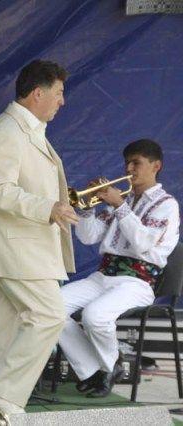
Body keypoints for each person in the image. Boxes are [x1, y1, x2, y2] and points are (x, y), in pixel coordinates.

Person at [0, 60, 78, 423]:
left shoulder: (27, 129)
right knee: (49, 315)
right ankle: (4, 394)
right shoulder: (8, 130)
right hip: (18, 248)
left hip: (24, 246)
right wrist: (47, 207)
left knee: (5, 332)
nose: (62, 101)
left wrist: (53, 205)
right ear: (37, 93)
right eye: (59, 93)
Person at [59, 139, 180, 397]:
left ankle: (109, 365)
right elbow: (88, 237)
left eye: (136, 163)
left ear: (156, 166)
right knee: (49, 307)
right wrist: (87, 208)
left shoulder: (166, 205)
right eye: (127, 163)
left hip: (137, 281)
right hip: (103, 276)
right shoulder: (122, 200)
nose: (129, 169)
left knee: (94, 316)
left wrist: (120, 206)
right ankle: (95, 369)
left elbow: (143, 243)